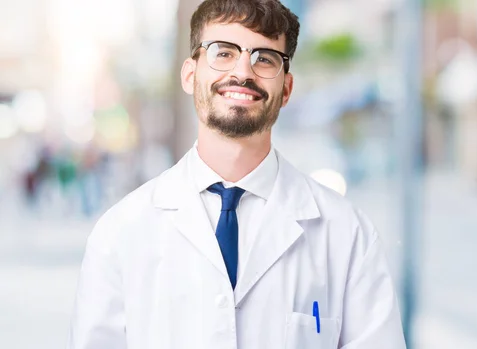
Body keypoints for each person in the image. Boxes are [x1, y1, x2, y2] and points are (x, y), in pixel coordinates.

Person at [67, 0, 406, 348]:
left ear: (286, 89)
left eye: (265, 58)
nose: (243, 72)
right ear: (189, 74)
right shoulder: (121, 232)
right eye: (223, 52)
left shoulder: (348, 234)